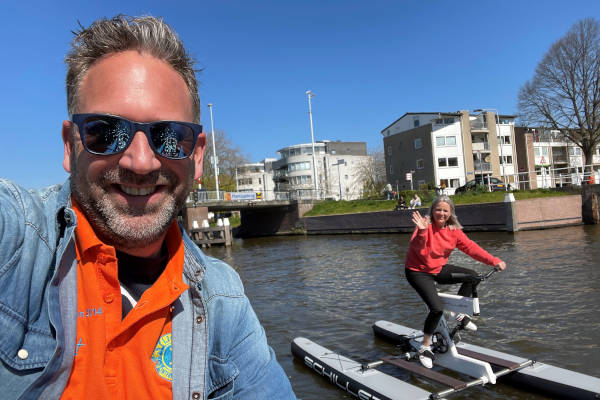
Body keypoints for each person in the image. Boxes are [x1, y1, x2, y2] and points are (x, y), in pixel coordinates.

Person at [0, 15, 295, 399]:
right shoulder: (17, 246)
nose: (141, 162)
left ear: (198, 155)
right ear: (70, 145)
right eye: (105, 133)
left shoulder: (223, 301)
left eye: (170, 138)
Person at [404, 195, 506, 369]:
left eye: (445, 210)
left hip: (438, 268)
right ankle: (425, 346)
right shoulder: (425, 226)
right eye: (438, 209)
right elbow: (419, 250)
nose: (441, 213)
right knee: (436, 308)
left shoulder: (454, 231)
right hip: (418, 272)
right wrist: (421, 232)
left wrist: (493, 260)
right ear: (432, 211)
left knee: (473, 276)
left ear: (451, 213)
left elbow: (472, 248)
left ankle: (459, 315)